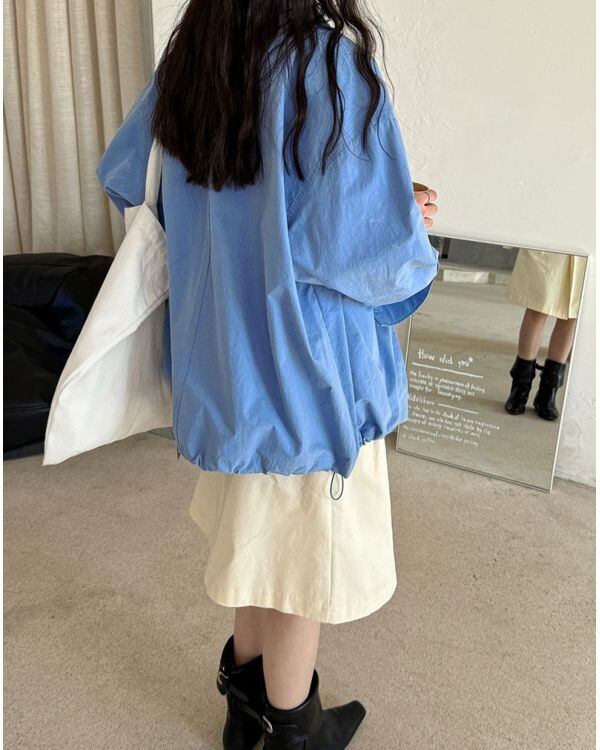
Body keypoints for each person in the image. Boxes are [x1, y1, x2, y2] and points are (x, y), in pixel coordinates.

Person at [96, 1, 439, 747]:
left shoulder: (194, 60)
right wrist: (406, 219)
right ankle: (292, 728)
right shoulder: (328, 65)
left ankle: (244, 709)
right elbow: (360, 250)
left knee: (257, 539)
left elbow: (130, 181)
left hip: (224, 367)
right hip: (307, 372)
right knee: (299, 562)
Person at [504, 249, 585, 420]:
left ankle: (548, 392)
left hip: (587, 244)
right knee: (537, 306)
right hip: (554, 243)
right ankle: (520, 387)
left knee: (571, 314)